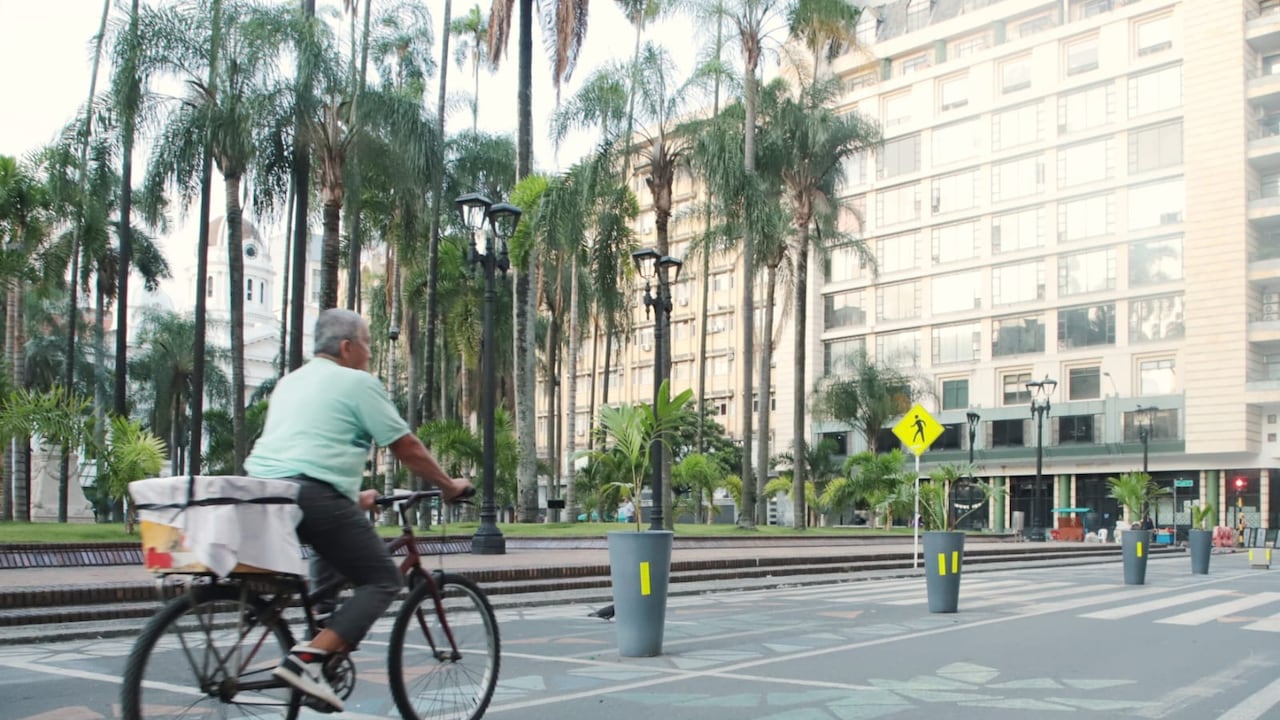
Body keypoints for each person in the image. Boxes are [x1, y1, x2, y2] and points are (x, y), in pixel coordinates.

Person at [245, 308, 472, 711]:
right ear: (348, 347)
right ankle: (309, 659)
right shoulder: (356, 382)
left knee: (330, 555)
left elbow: (300, 456)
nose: (369, 354)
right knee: (383, 579)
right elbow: (406, 446)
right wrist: (449, 484)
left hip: (266, 494)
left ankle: (322, 632)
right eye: (366, 345)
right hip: (313, 498)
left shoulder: (289, 382)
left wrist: (353, 498)